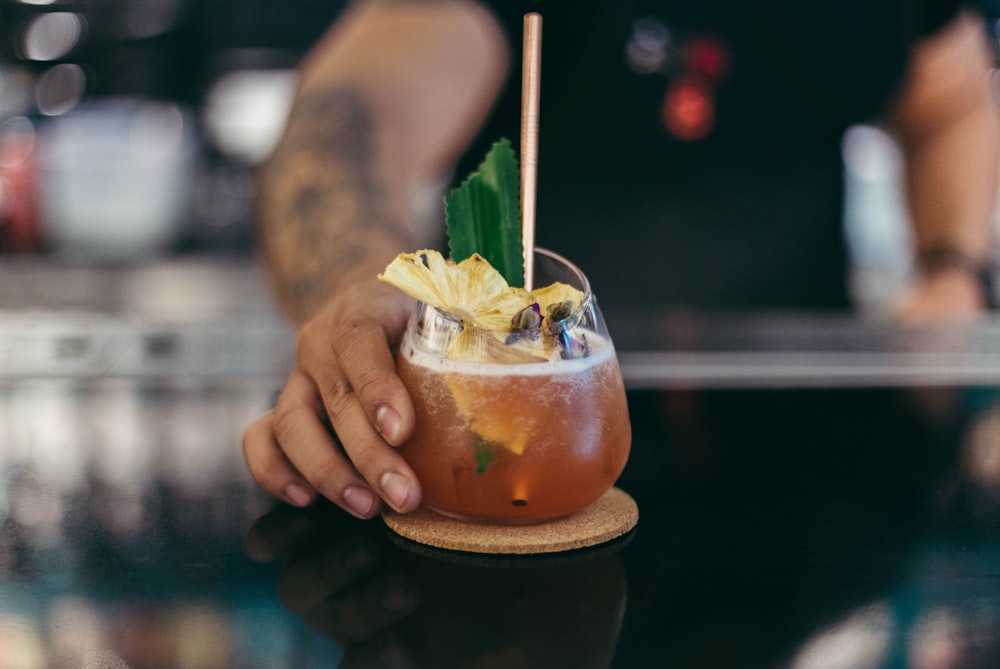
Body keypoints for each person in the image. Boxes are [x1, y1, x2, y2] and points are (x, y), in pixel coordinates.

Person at [242, 0, 1000, 519]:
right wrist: (357, 284)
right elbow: (348, 114)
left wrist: (952, 268)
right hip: (501, 445)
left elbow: (953, 100)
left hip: (806, 456)